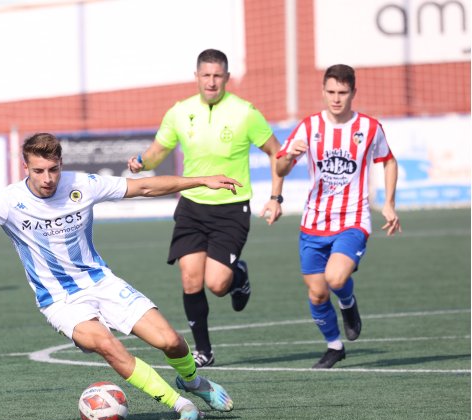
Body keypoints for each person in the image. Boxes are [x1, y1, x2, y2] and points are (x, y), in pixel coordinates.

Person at [0, 133, 239, 420]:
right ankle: (179, 404)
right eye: (38, 170)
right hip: (60, 301)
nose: (47, 178)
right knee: (106, 345)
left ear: (61, 165)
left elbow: (144, 188)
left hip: (101, 282)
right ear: (26, 167)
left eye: (53, 169)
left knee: (172, 342)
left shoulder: (82, 184)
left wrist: (200, 180)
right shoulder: (8, 201)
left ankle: (192, 380)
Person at [128, 48, 284, 369]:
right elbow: (160, 150)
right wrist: (143, 161)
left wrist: (276, 196)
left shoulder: (245, 112)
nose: (211, 82)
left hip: (230, 210)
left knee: (217, 284)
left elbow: (275, 152)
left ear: (227, 78)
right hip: (192, 207)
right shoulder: (179, 112)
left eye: (217, 76)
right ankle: (203, 351)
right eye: (206, 75)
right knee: (190, 280)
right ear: (196, 77)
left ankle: (238, 274)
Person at [275, 64, 401, 369]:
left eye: (342, 92)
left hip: (353, 219)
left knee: (335, 277)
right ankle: (334, 345)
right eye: (330, 92)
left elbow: (389, 161)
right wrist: (290, 157)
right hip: (314, 222)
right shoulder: (308, 127)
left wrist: (389, 203)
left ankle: (347, 302)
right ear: (323, 91)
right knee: (317, 294)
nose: (336, 98)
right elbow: (279, 168)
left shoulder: (369, 128)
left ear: (353, 93)